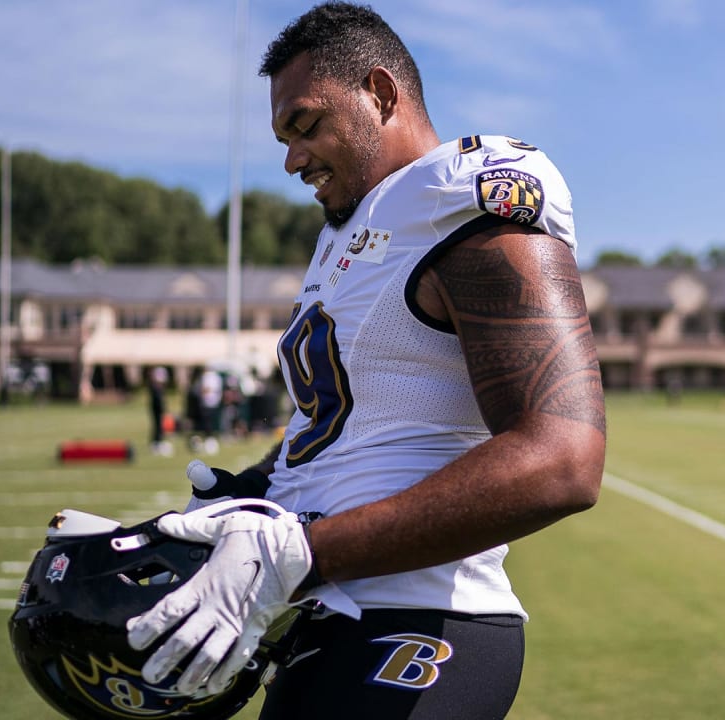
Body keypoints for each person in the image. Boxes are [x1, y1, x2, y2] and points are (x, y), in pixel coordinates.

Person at [125, 3, 605, 718]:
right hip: (328, 618)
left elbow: (563, 460)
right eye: (283, 137)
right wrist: (251, 495)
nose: (291, 158)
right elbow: (355, 428)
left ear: (380, 94)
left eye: (306, 124)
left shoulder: (464, 197)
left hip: (419, 621)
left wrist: (301, 552)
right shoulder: (350, 231)